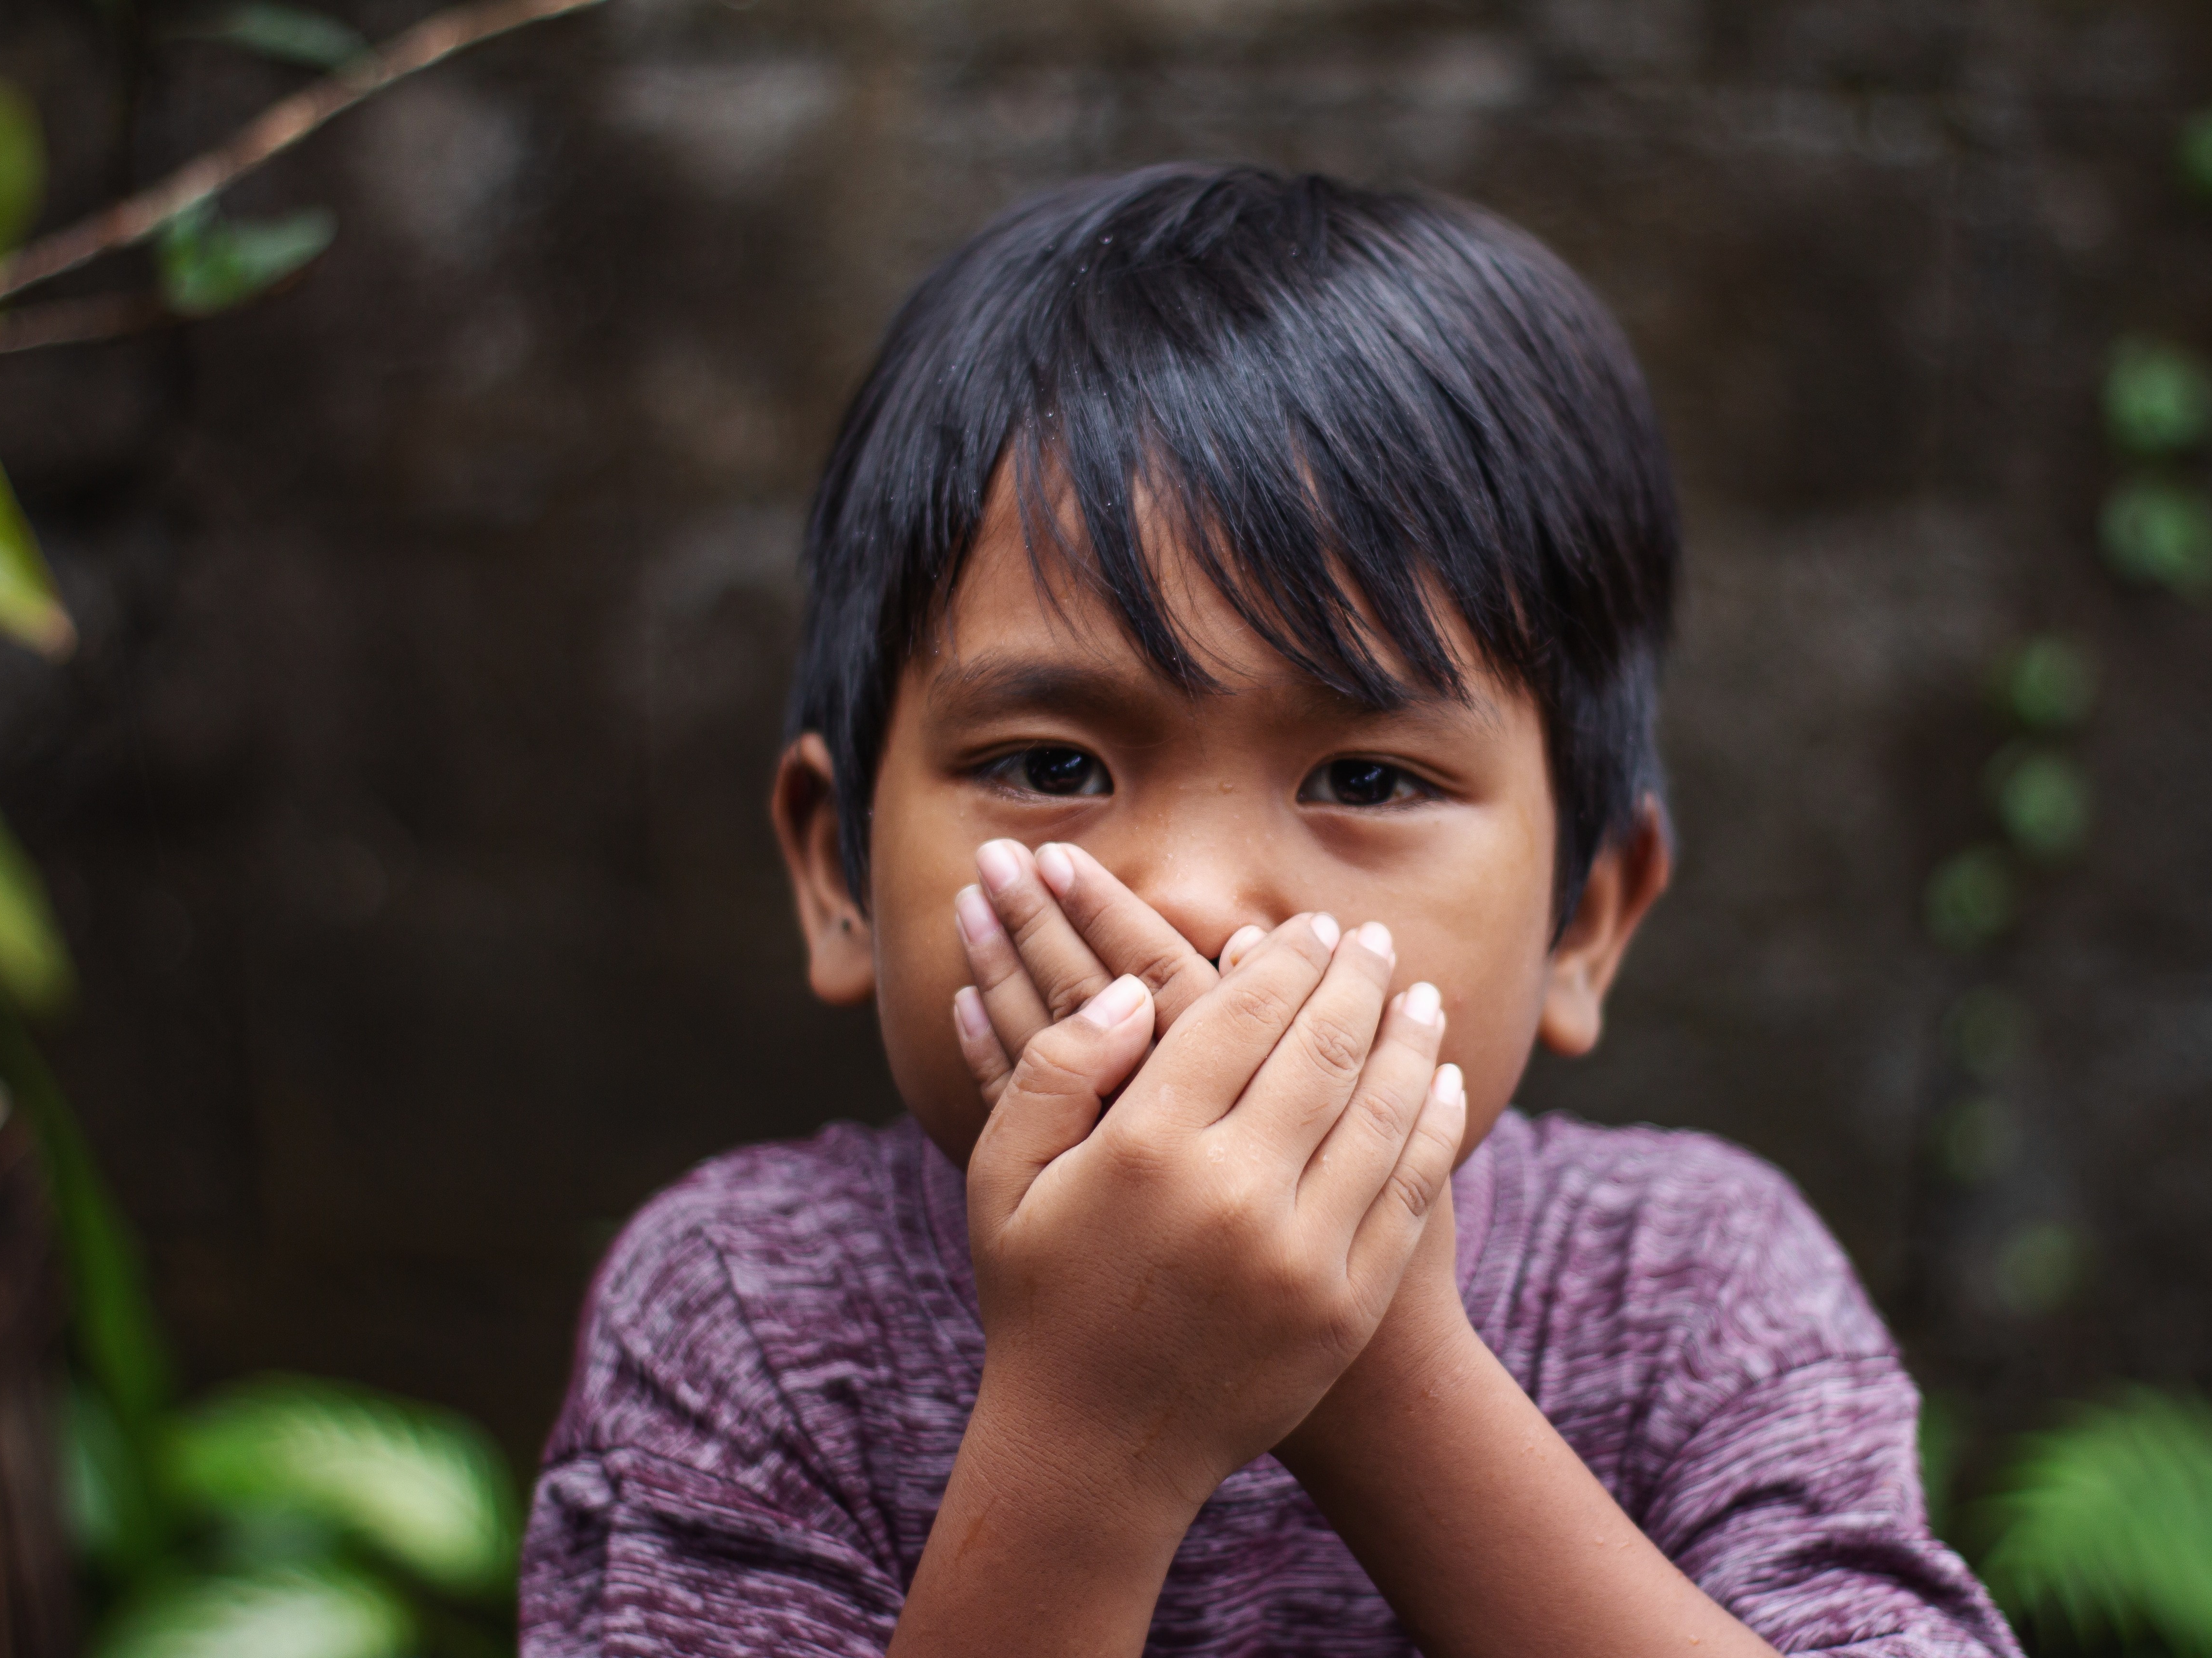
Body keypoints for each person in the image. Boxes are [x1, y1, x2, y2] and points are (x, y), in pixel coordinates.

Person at [519, 163, 2019, 1658]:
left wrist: (1378, 1368)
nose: (1187, 893)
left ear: (1587, 921)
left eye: (1365, 778)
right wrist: (1090, 1438)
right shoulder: (753, 1319)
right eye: (1052, 764)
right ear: (840, 872)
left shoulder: (1689, 1288)